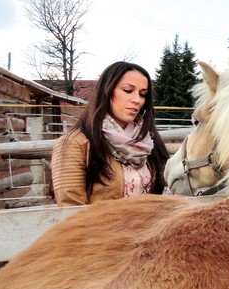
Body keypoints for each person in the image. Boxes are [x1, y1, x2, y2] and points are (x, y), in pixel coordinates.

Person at [51, 61, 169, 206]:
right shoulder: (75, 144)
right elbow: (70, 208)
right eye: (127, 90)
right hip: (100, 228)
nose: (137, 100)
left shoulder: (148, 142)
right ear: (107, 91)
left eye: (142, 94)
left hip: (149, 227)